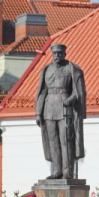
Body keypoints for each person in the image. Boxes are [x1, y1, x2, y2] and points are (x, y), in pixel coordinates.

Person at [35, 43, 86, 180]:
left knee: (66, 141)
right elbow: (42, 92)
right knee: (53, 141)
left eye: (60, 53)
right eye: (55, 54)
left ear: (64, 54)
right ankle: (56, 171)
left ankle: (67, 172)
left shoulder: (71, 69)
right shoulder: (47, 70)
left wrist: (70, 99)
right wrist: (38, 113)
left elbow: (78, 91)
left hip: (65, 109)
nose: (57, 56)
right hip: (49, 109)